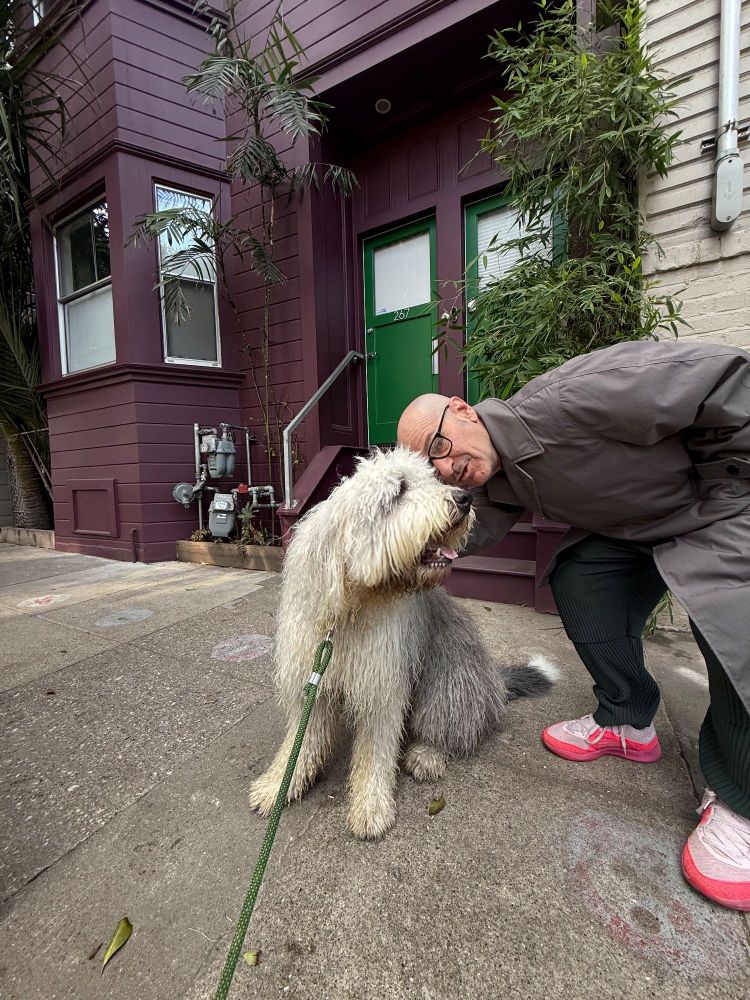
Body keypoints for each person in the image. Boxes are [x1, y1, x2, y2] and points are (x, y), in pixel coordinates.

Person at [397, 338, 750, 912]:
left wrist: (727, 482)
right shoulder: (496, 472)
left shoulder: (576, 397)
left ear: (462, 408)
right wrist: (403, 554)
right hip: (635, 528)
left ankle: (740, 796)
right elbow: (471, 529)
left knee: (732, 617)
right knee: (578, 581)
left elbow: (727, 378)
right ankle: (627, 719)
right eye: (429, 466)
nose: (445, 467)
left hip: (723, 501)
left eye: (440, 445)